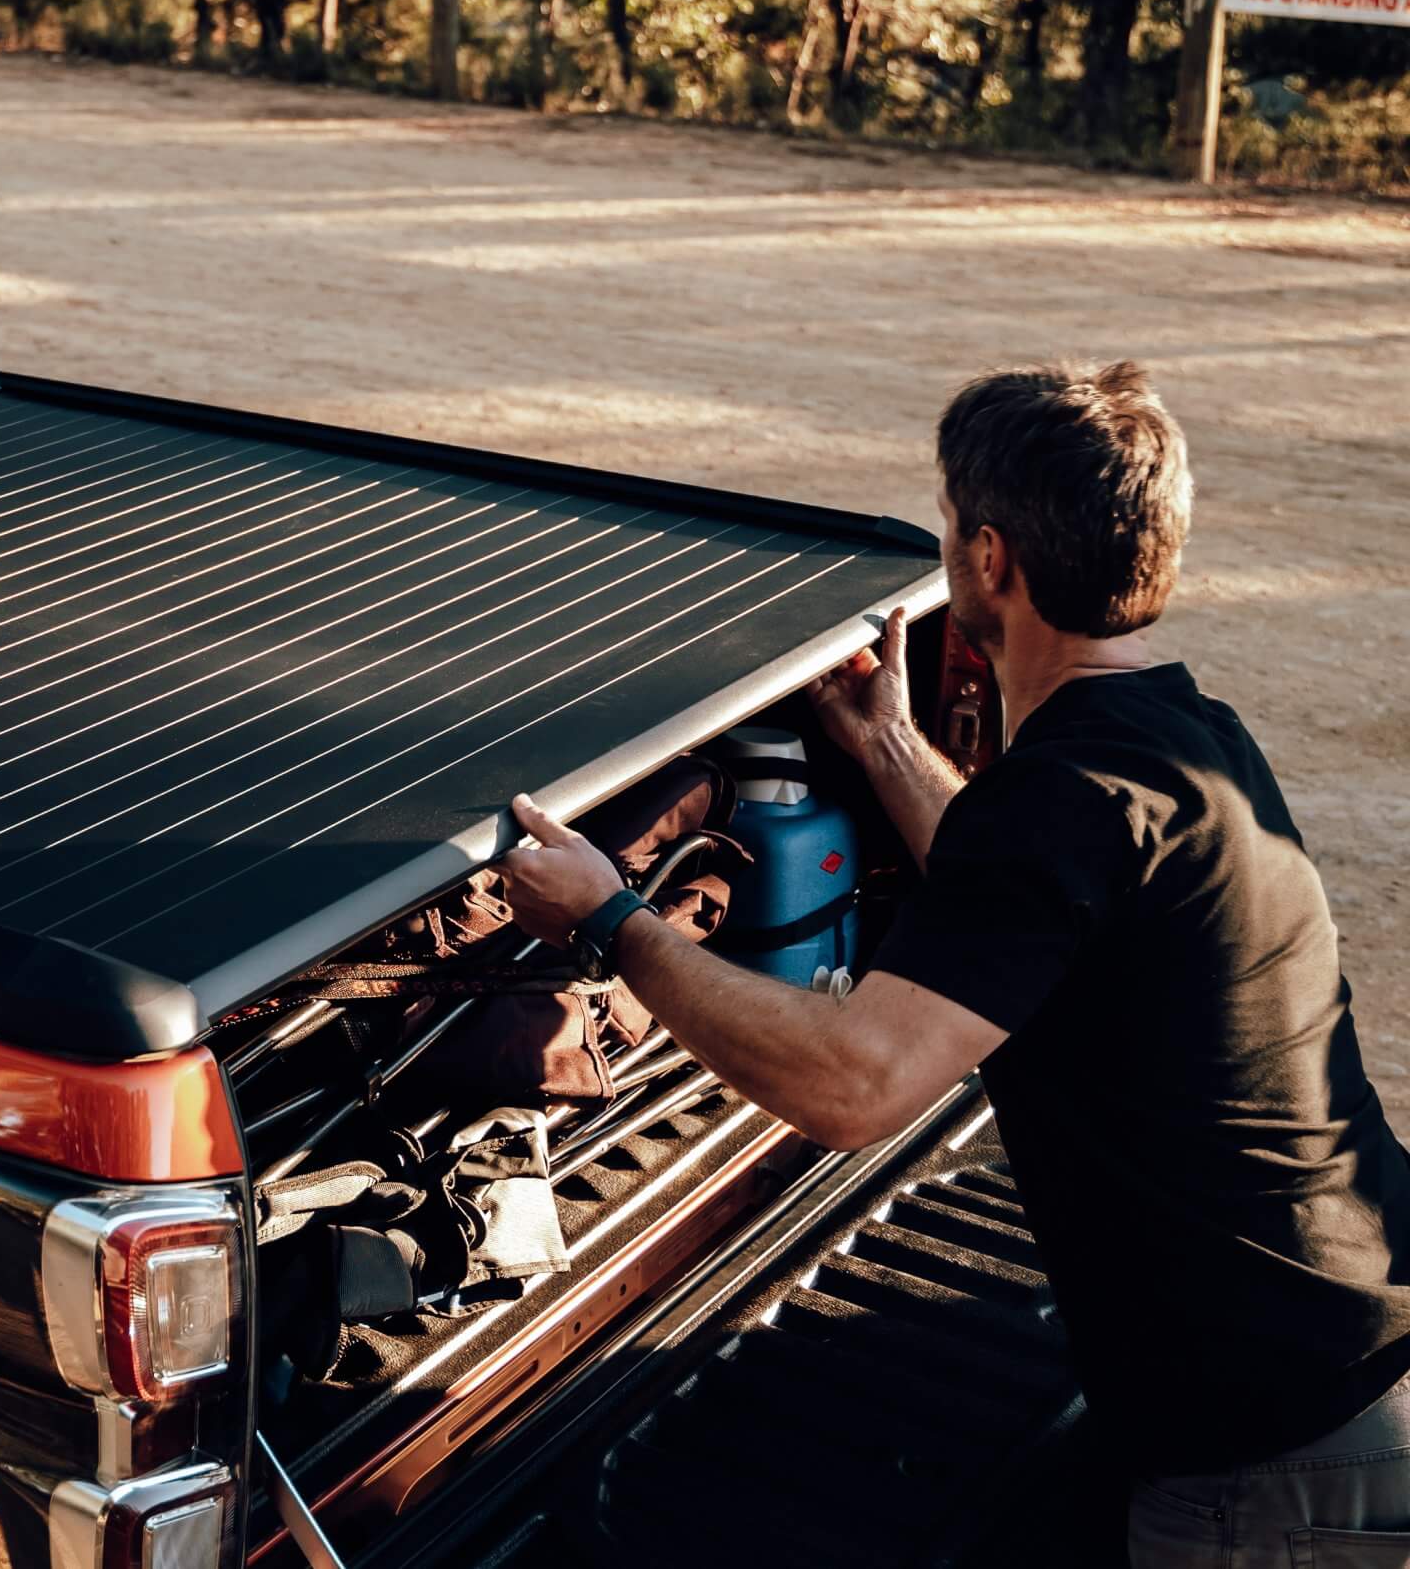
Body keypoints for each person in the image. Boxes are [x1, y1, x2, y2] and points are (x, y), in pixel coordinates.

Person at [498, 361, 1410, 1566]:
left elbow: (853, 1087)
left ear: (989, 558)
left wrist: (613, 920)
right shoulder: (1179, 735)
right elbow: (1027, 904)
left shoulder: (1068, 798)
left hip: (1271, 1458)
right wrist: (886, 744)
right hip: (1337, 1341)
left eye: (946, 525)